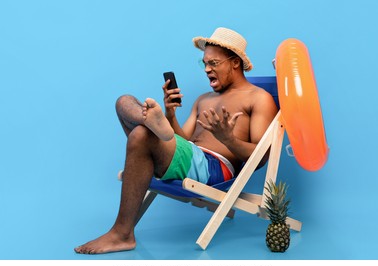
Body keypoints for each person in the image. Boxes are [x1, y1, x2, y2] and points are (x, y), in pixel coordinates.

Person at [74, 27, 278, 254]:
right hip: (188, 156)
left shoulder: (259, 98)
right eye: (204, 64)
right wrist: (171, 114)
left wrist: (228, 139)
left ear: (234, 63)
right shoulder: (203, 99)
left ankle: (122, 234)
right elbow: (183, 141)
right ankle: (152, 122)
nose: (207, 70)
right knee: (123, 102)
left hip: (215, 168)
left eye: (214, 63)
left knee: (141, 135)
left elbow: (262, 157)